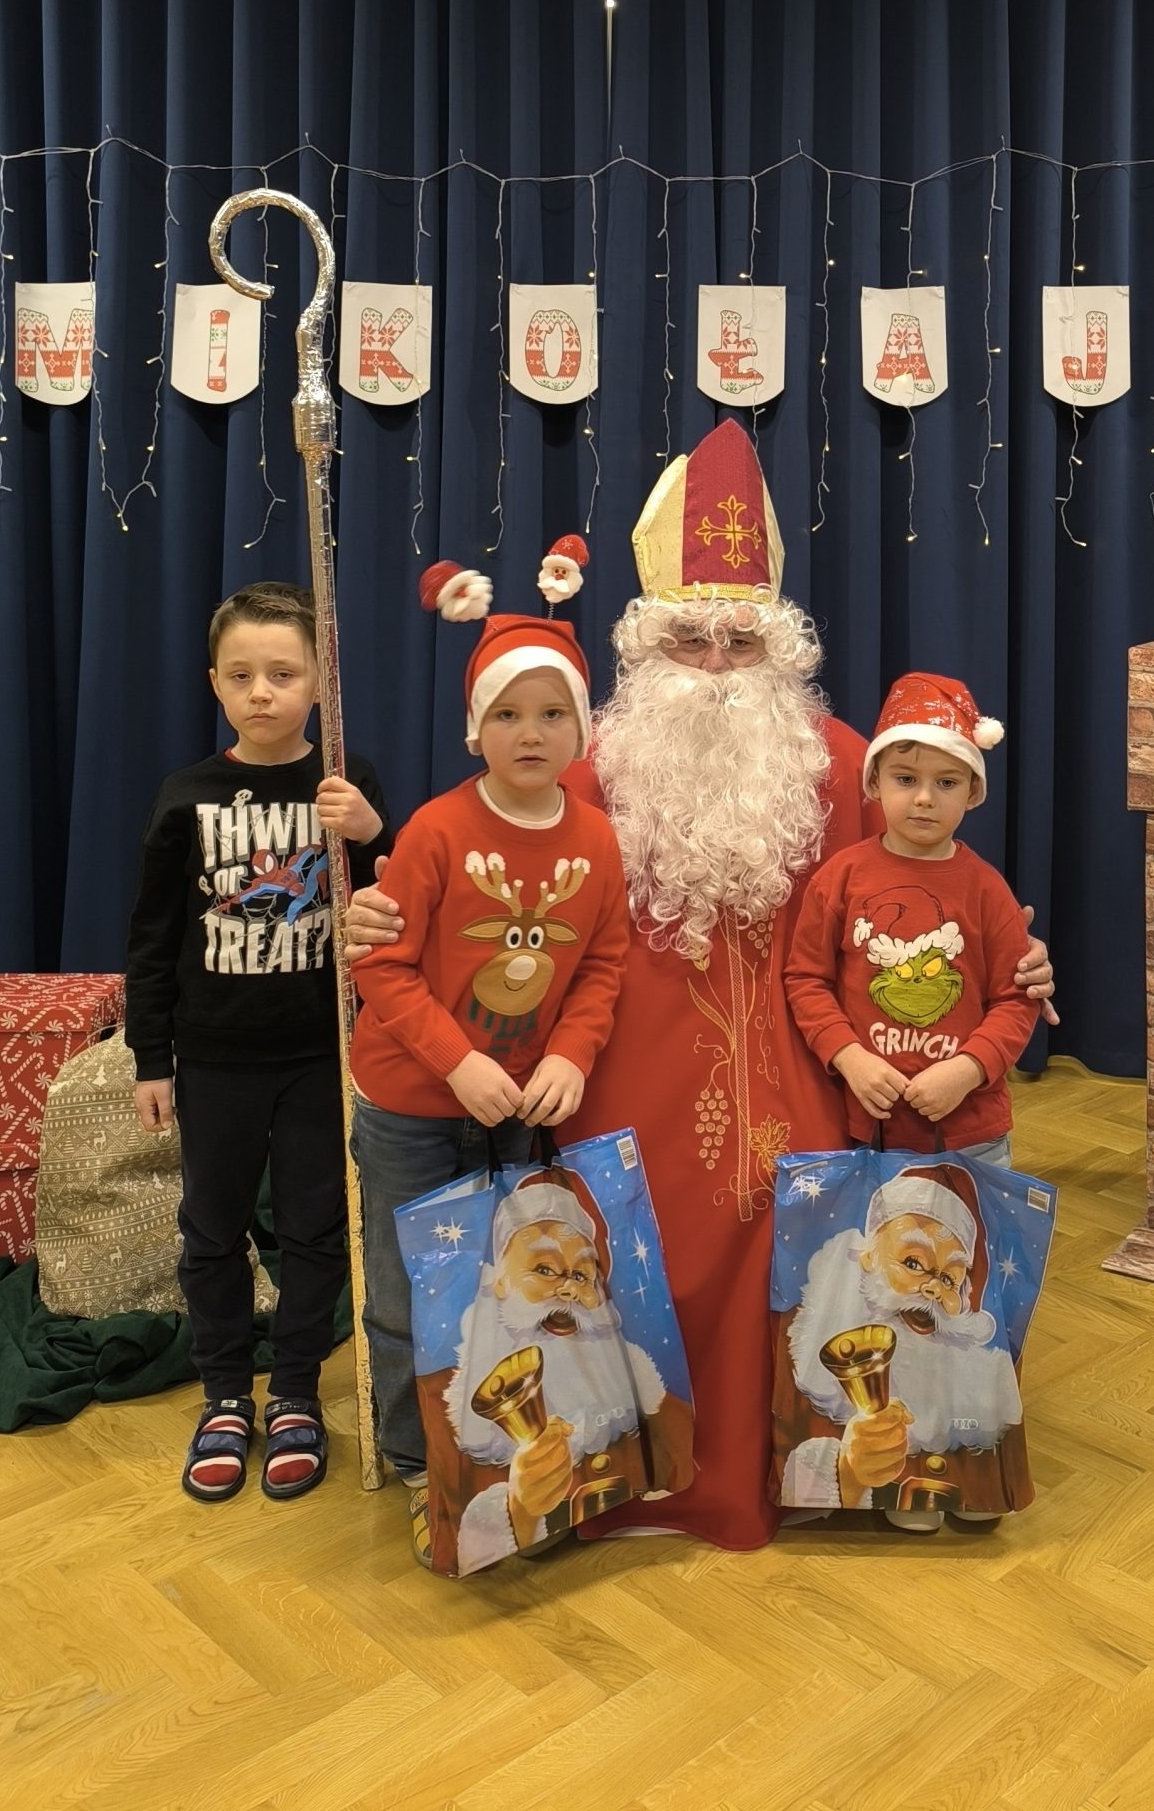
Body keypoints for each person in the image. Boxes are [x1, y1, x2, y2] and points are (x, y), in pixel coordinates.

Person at [346, 421, 1055, 1549]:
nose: (719, 666)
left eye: (741, 639)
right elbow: (489, 898)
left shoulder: (849, 764)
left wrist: (1014, 962)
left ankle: (864, 1453)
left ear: (779, 644)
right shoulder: (579, 773)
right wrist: (384, 914)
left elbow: (930, 898)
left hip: (818, 1075)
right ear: (647, 643)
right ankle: (609, 1465)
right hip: (617, 1078)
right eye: (691, 638)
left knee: (828, 1237)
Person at [345, 542, 632, 1553]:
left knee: (507, 1292)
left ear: (581, 730)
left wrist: (571, 1058)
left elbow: (602, 965)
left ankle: (496, 1447)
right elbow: (384, 968)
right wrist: (456, 1062)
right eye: (508, 714)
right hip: (414, 1107)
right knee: (404, 1292)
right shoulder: (434, 832)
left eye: (553, 714)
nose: (531, 733)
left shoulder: (596, 840)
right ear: (476, 727)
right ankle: (413, 1461)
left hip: (519, 1114)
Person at [125, 579, 393, 1504]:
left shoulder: (350, 787)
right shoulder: (186, 796)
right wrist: (151, 1059)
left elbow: (405, 904)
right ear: (215, 683)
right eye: (241, 675)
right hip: (213, 1056)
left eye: (283, 673)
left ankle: (296, 1393)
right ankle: (226, 1394)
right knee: (213, 1228)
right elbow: (152, 938)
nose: (263, 692)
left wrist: (376, 832)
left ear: (319, 682)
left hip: (322, 1055)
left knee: (316, 1228)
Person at [784, 671, 1040, 1168]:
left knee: (968, 1222)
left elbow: (1016, 1000)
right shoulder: (840, 878)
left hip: (971, 1132)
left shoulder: (988, 890)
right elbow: (806, 980)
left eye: (946, 782)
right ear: (874, 782)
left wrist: (967, 1070)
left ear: (973, 793)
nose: (924, 798)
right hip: (865, 1126)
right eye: (906, 779)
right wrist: (850, 1058)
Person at [433, 1173, 694, 1573]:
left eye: (582, 1275)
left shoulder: (643, 1389)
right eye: (545, 1269)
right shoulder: (456, 1398)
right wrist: (520, 1510)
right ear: (499, 1282)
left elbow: (678, 1459)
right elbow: (458, 1515)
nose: (570, 1291)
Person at [774, 1167, 1029, 1525]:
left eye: (950, 1279)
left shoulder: (974, 1372)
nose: (932, 1289)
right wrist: (848, 1470)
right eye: (913, 1263)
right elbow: (785, 1448)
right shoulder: (804, 1347)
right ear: (868, 1258)